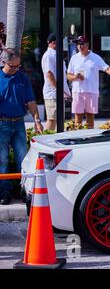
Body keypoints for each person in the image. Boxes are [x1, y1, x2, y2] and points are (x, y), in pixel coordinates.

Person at [0, 48, 43, 205]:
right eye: (13, 66)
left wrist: (37, 120)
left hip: (18, 123)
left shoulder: (22, 78)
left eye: (18, 66)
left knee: (23, 159)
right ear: (4, 63)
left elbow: (30, 101)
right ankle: (5, 193)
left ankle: (24, 191)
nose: (16, 69)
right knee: (2, 160)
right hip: (1, 124)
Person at [67, 35, 110, 129]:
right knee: (77, 118)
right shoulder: (74, 58)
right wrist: (75, 77)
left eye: (82, 44)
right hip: (78, 92)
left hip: (92, 91)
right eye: (78, 44)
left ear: (87, 44)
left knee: (90, 118)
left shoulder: (95, 57)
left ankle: (89, 139)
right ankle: (77, 139)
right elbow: (68, 75)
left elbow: (106, 68)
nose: (79, 46)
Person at [41, 33, 71, 131]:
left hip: (58, 93)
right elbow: (49, 73)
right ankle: (45, 141)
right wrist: (60, 91)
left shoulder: (55, 54)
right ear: (54, 42)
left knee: (58, 120)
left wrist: (65, 92)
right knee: (52, 119)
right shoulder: (48, 55)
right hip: (53, 93)